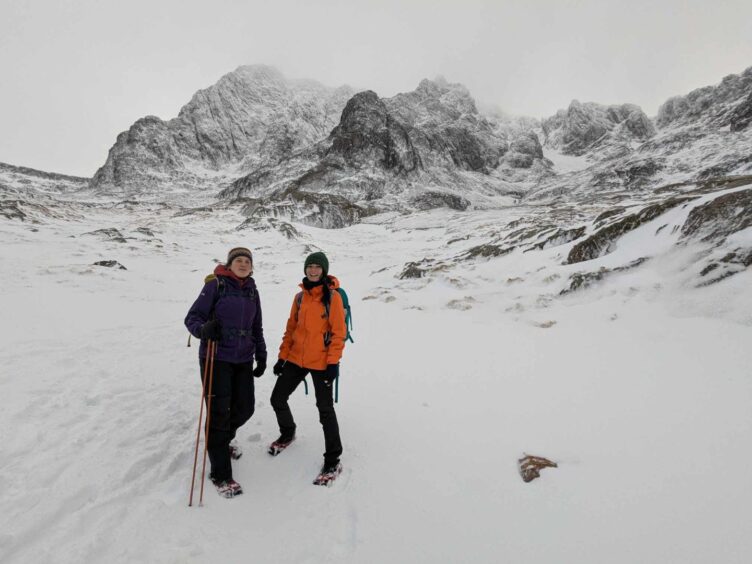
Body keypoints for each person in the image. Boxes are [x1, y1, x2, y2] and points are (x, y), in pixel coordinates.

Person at [184, 247, 267, 498]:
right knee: (219, 413)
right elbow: (192, 318)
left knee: (245, 408)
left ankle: (218, 441)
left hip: (243, 358)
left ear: (252, 267)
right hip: (215, 357)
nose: (243, 264)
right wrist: (203, 329)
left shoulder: (253, 291)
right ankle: (220, 473)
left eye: (247, 261)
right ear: (229, 265)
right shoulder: (216, 285)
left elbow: (256, 326)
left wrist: (261, 355)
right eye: (238, 260)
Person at [269, 251, 346, 484]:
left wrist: (332, 363)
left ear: (323, 270)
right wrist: (282, 357)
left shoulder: (333, 298)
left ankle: (333, 460)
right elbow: (291, 328)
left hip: (322, 362)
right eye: (310, 266)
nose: (313, 270)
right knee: (277, 398)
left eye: (317, 267)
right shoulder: (299, 297)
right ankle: (288, 432)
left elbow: (338, 333)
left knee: (325, 410)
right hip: (295, 358)